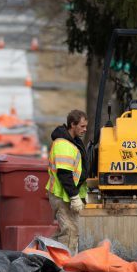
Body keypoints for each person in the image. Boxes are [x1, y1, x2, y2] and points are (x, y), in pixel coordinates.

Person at [47, 109, 89, 254]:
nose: (85, 129)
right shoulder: (63, 144)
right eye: (82, 126)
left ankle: (43, 253)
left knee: (64, 231)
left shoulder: (72, 141)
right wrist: (74, 196)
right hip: (63, 195)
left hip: (66, 194)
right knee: (70, 231)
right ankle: (65, 265)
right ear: (72, 124)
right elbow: (64, 174)